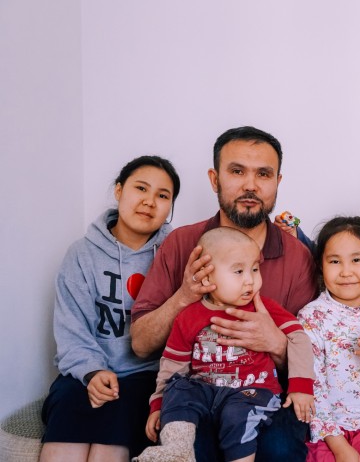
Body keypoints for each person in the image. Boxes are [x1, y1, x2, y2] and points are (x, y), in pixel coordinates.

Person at [130, 126, 317, 461]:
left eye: (263, 174)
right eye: (237, 171)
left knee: (278, 449)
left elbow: (313, 354)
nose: (251, 185)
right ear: (214, 179)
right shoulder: (182, 243)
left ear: (277, 182)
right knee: (190, 446)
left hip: (263, 393)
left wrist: (274, 343)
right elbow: (141, 345)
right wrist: (185, 297)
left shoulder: (297, 256)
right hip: (198, 393)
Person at [40, 155, 180, 462]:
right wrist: (92, 372)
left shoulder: (175, 253)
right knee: (68, 402)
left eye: (162, 196)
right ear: (119, 190)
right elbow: (71, 330)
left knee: (120, 412)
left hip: (147, 375)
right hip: (86, 371)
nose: (149, 202)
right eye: (140, 188)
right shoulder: (81, 254)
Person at [135, 227, 315, 462]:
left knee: (236, 414)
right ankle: (176, 451)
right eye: (239, 271)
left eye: (254, 269)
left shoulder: (262, 307)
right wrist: (159, 403)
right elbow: (173, 364)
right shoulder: (189, 316)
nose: (250, 280)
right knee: (179, 389)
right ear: (207, 277)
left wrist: (301, 386)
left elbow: (299, 338)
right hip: (205, 391)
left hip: (251, 391)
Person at [297, 217, 360, 461]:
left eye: (356, 260)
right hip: (326, 429)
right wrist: (340, 446)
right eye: (335, 261)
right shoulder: (312, 317)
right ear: (321, 265)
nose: (346, 272)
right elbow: (312, 387)